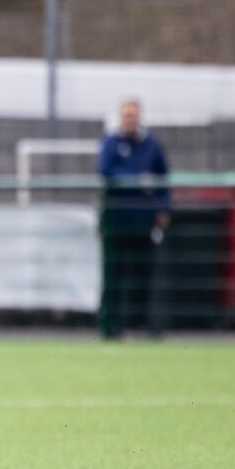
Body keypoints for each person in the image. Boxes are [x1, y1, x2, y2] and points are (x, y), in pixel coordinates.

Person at [97, 98, 170, 338]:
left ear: (139, 117)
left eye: (133, 114)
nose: (130, 118)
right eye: (126, 114)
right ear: (121, 117)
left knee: (143, 272)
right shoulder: (111, 142)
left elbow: (163, 177)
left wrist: (163, 208)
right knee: (115, 273)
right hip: (117, 219)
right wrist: (137, 179)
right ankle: (112, 325)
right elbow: (105, 170)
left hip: (144, 219)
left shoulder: (152, 144)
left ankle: (139, 324)